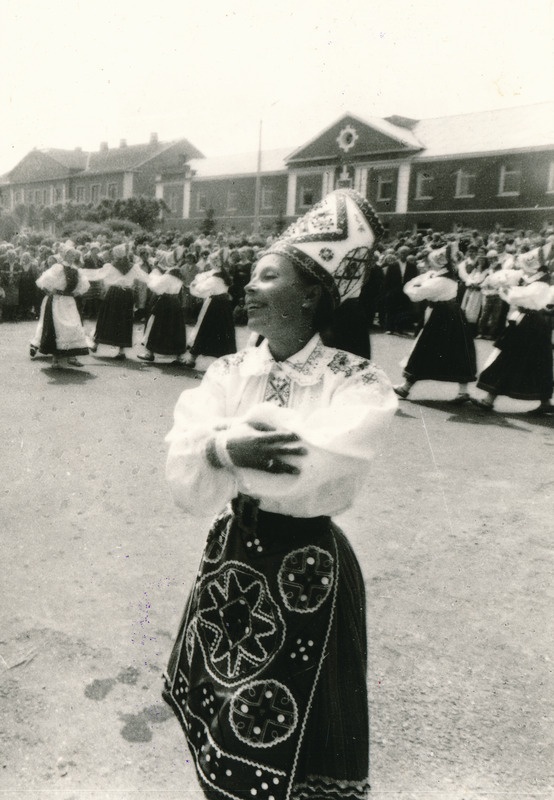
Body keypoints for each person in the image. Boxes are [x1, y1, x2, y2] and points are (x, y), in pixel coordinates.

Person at [162, 189, 397, 800]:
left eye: (268, 276)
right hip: (233, 556)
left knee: (304, 733)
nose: (249, 287)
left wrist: (222, 444)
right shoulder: (227, 370)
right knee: (226, 712)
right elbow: (183, 455)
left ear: (312, 294)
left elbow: (315, 461)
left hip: (308, 571)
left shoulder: (359, 381)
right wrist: (224, 449)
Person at [472, 240, 553, 414]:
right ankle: (545, 400)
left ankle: (489, 399)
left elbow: (519, 297)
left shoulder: (541, 283)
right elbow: (508, 279)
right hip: (527, 322)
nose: (522, 269)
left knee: (511, 358)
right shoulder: (531, 278)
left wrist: (505, 289)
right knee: (534, 362)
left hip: (531, 323)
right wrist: (498, 283)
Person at [393, 244, 477, 403]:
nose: (429, 264)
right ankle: (462, 391)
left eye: (431, 262)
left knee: (424, 348)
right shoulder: (444, 276)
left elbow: (415, 294)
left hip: (441, 316)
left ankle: (406, 387)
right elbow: (426, 279)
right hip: (450, 314)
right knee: (458, 351)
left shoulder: (439, 281)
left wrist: (411, 285)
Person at [82, 243, 147, 359]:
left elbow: (96, 275)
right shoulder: (134, 267)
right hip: (127, 295)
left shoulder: (110, 266)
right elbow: (145, 277)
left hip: (113, 294)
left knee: (106, 318)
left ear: (116, 255)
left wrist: (80, 272)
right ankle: (121, 351)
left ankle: (96, 344)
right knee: (123, 320)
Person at [29, 247, 90, 368]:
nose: (73, 257)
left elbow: (84, 285)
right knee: (58, 328)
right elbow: (43, 281)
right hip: (57, 301)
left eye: (74, 255)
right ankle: (55, 360)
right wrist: (51, 291)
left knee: (74, 326)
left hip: (69, 301)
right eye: (70, 255)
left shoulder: (76, 270)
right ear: (65, 255)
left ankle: (72, 357)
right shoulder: (58, 268)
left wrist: (77, 292)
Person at [182, 268, 237, 368]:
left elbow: (201, 289)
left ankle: (192, 359)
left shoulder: (214, 278)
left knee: (205, 329)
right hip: (225, 306)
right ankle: (228, 361)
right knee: (225, 331)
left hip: (215, 305)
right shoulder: (225, 279)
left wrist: (195, 283)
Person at [138, 265, 187, 364]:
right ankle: (179, 356)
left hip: (165, 302)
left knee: (155, 326)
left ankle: (150, 353)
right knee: (176, 328)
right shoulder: (179, 279)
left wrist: (152, 277)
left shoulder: (167, 277)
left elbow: (155, 288)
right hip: (175, 302)